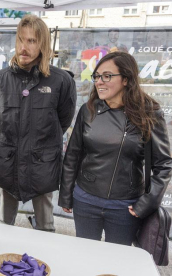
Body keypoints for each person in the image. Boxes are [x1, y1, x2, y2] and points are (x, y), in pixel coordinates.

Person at [58, 51, 172, 245]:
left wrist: (146, 203)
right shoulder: (88, 110)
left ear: (126, 79)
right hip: (86, 199)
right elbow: (73, 156)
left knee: (118, 263)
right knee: (85, 255)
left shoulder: (149, 113)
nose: (99, 81)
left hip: (125, 206)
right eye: (97, 76)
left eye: (107, 76)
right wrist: (66, 195)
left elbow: (164, 165)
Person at [0, 15, 76, 231]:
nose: (23, 47)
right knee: (3, 225)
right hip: (8, 163)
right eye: (20, 40)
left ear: (43, 44)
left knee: (45, 227)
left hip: (42, 165)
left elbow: (62, 122)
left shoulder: (61, 81)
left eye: (32, 41)